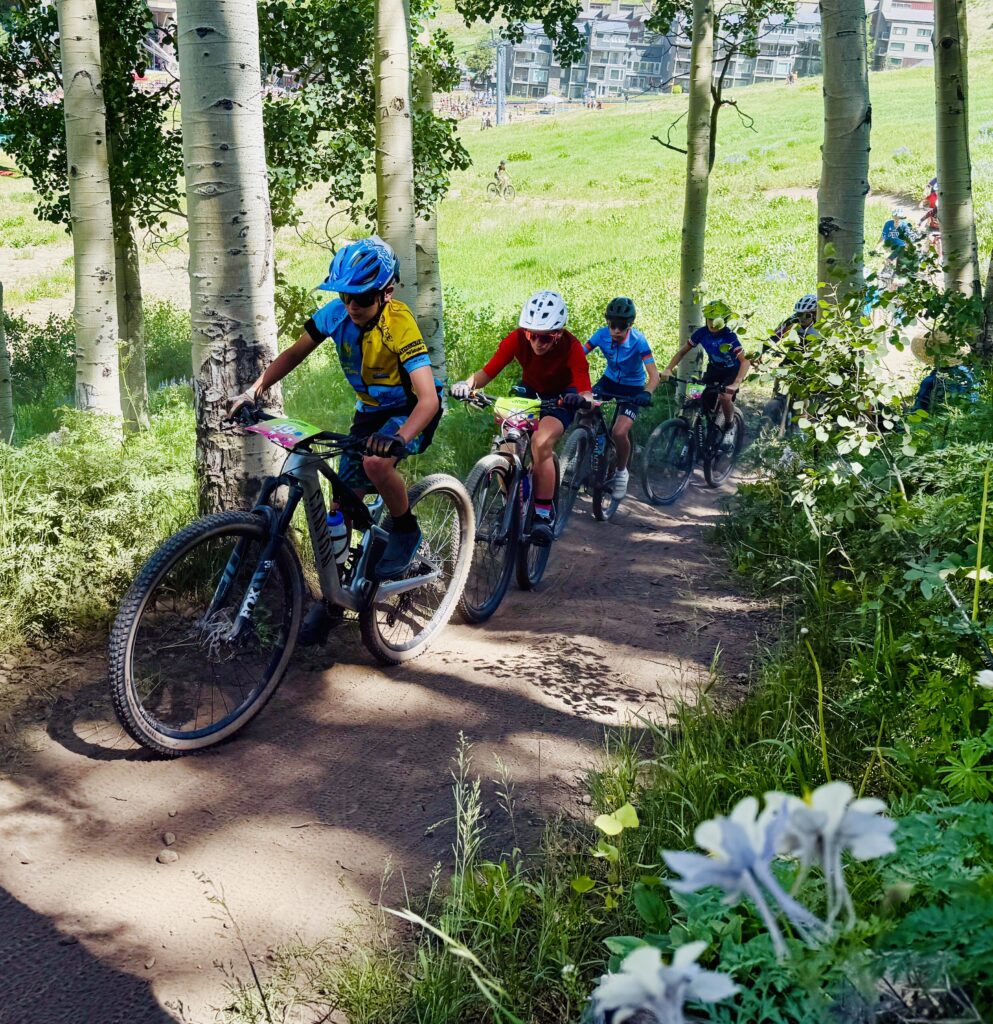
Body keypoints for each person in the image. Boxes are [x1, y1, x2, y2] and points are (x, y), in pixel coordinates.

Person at [227, 236, 442, 643]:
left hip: (410, 409)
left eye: (361, 297)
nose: (351, 306)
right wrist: (255, 390)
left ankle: (405, 528)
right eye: (344, 296)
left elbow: (428, 399)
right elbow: (295, 353)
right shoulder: (337, 315)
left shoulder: (399, 323)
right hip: (369, 413)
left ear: (386, 293)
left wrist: (398, 438)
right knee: (339, 509)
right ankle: (334, 600)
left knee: (375, 463)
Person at [452, 290, 594, 545]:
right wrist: (467, 384)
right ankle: (514, 503)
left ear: (558, 333)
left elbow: (586, 391)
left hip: (563, 398)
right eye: (532, 335)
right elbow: (488, 371)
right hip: (530, 393)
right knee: (507, 446)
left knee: (541, 442)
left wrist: (582, 400)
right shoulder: (517, 338)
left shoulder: (572, 347)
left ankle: (542, 515)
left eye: (545, 337)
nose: (537, 342)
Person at [582, 296, 659, 499]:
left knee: (619, 432)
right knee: (584, 407)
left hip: (632, 388)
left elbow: (654, 375)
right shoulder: (601, 335)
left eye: (622, 326)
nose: (616, 330)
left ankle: (621, 471)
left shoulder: (639, 341)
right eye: (612, 325)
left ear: (630, 325)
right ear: (607, 322)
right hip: (608, 381)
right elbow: (579, 355)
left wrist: (647, 392)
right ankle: (580, 450)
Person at [660, 300, 750, 429]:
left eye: (717, 320)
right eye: (710, 319)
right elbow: (682, 352)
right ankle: (691, 425)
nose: (712, 324)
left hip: (732, 371)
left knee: (725, 397)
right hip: (714, 368)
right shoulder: (701, 333)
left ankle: (730, 424)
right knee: (693, 394)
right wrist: (668, 369)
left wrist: (736, 383)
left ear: (725, 321)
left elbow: (745, 361)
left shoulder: (729, 336)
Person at [762, 294, 820, 427]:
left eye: (806, 315)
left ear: (815, 314)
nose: (801, 319)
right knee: (781, 371)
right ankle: (777, 398)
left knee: (808, 386)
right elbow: (776, 336)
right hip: (796, 352)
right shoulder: (793, 320)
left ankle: (806, 417)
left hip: (814, 355)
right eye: (799, 314)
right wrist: (761, 352)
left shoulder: (822, 325)